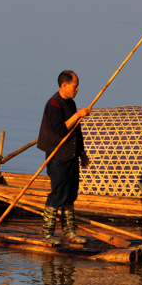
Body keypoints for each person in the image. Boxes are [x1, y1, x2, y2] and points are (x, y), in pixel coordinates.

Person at [37, 70, 91, 246]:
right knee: (57, 195)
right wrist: (77, 115)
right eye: (75, 86)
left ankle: (69, 233)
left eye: (77, 87)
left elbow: (76, 130)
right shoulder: (54, 104)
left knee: (70, 195)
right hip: (58, 157)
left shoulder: (71, 103)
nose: (77, 89)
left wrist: (82, 154)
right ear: (64, 85)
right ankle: (47, 235)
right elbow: (60, 130)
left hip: (72, 155)